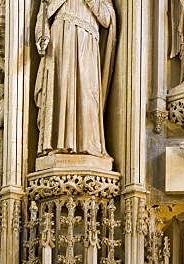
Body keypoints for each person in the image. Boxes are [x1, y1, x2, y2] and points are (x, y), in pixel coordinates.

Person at [34, 0, 116, 157]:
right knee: (60, 90)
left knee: (87, 92)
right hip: (59, 41)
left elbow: (106, 19)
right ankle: (57, 145)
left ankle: (88, 144)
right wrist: (42, 37)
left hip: (87, 38)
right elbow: (43, 15)